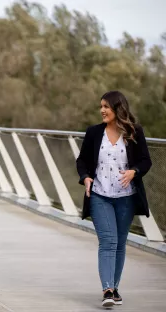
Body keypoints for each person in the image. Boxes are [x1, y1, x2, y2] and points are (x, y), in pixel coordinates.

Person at [76, 91, 152, 308]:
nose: (102, 110)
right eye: (101, 106)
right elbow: (81, 161)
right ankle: (107, 289)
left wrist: (134, 172)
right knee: (108, 241)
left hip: (126, 197)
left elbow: (146, 160)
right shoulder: (93, 133)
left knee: (119, 243)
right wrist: (86, 177)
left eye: (106, 107)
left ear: (118, 108)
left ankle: (114, 289)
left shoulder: (134, 132)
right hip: (100, 194)